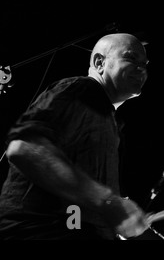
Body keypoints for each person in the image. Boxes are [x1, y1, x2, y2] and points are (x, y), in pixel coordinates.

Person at [0, 33, 151, 240]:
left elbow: (85, 202)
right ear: (100, 62)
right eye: (131, 58)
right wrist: (108, 202)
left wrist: (114, 220)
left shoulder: (111, 121)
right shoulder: (83, 90)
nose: (142, 69)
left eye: (145, 64)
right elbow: (24, 149)